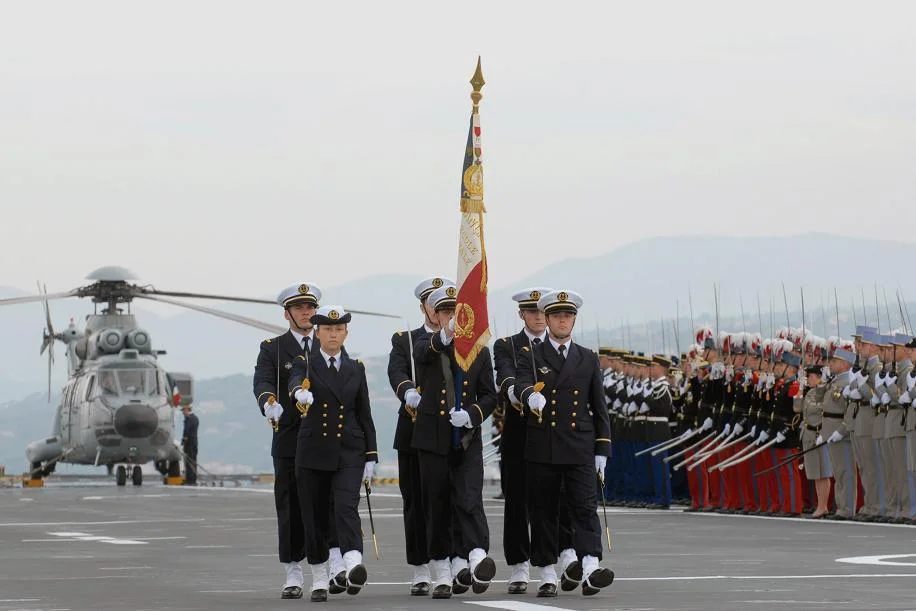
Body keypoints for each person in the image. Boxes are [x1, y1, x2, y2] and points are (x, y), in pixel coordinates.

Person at [516, 290, 614, 598]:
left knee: (585, 508)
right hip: (543, 445)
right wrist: (529, 394)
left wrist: (602, 449)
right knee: (544, 511)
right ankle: (547, 571)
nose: (563, 320)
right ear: (546, 319)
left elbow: (599, 408)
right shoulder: (530, 354)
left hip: (579, 445)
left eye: (568, 316)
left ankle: (590, 566)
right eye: (557, 316)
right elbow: (519, 382)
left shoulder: (587, 357)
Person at [411, 284, 498, 599]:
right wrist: (445, 335)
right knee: (437, 506)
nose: (451, 317)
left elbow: (490, 394)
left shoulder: (479, 351)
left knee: (469, 498)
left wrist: (474, 414)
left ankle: (476, 556)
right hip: (432, 439)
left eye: (456, 311)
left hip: (466, 439)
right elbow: (422, 354)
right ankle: (442, 571)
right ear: (436, 314)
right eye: (446, 311)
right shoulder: (426, 343)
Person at [289, 305, 379, 602]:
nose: (333, 334)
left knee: (345, 506)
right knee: (314, 516)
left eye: (339, 330)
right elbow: (294, 382)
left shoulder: (356, 368)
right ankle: (319, 575)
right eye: (328, 329)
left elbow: (364, 413)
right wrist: (298, 394)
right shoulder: (306, 363)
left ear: (346, 333)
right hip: (314, 450)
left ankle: (353, 561)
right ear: (317, 332)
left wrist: (370, 455)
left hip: (348, 450)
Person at [252, 282, 327, 600]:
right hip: (289, 436)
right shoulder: (273, 347)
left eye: (310, 307)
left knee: (324, 503)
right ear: (287, 314)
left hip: (324, 438)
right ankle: (293, 572)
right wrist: (269, 401)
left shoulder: (329, 342)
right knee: (290, 506)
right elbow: (263, 380)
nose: (306, 312)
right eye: (299, 308)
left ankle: (325, 570)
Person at [387, 276, 454, 596]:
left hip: (451, 429)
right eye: (431, 302)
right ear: (424, 307)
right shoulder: (405, 339)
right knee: (415, 500)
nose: (436, 308)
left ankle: (451, 560)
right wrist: (407, 393)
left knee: (449, 499)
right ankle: (420, 567)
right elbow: (396, 372)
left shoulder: (461, 338)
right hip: (414, 429)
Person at [493, 287, 551, 594]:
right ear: (522, 315)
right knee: (516, 502)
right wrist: (520, 393)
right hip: (518, 433)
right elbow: (505, 376)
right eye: (532, 312)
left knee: (550, 503)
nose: (539, 318)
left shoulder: (557, 347)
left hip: (552, 435)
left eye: (543, 312)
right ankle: (518, 565)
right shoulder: (507, 345)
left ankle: (551, 564)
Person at [796, 364, 832, 518]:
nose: (808, 379)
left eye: (810, 376)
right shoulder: (809, 393)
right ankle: (820, 505)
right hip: (808, 434)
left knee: (823, 472)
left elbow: (825, 411)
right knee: (814, 473)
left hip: (819, 434)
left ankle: (823, 505)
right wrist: (800, 390)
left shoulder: (825, 392)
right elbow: (797, 408)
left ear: (818, 378)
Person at [181, 404, 198, 486]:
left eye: (184, 411)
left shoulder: (188, 419)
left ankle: (190, 480)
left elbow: (186, 431)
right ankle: (193, 479)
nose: (183, 413)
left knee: (188, 462)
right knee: (193, 461)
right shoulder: (195, 418)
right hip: (194, 442)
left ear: (188, 410)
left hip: (189, 443)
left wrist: (183, 440)